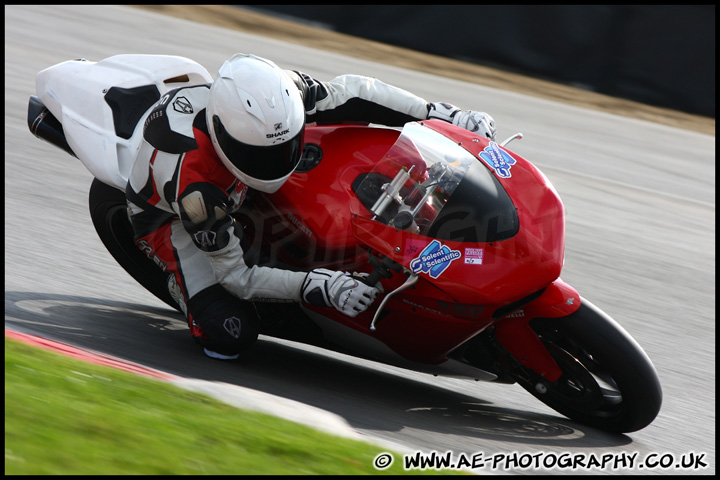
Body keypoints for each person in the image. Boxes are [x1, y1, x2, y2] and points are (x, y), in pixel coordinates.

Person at [126, 53, 497, 360]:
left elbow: (355, 92)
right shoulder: (198, 196)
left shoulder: (278, 96)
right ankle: (184, 289)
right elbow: (237, 277)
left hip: (238, 183)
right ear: (224, 136)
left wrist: (444, 115)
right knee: (228, 338)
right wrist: (318, 286)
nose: (274, 163)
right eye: (261, 154)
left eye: (280, 148)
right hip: (167, 219)